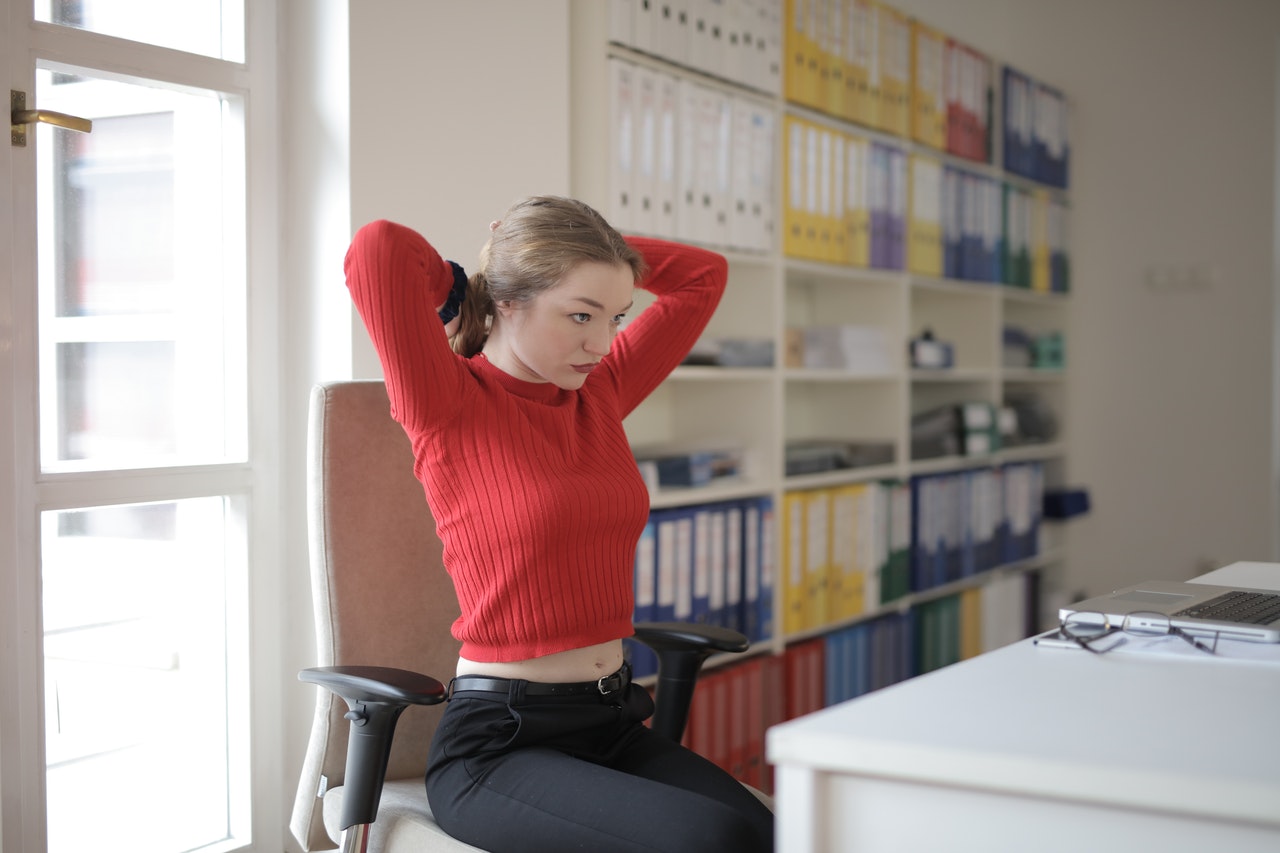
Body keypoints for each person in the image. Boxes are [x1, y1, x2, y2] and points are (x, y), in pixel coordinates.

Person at [343, 195, 775, 853]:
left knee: (777, 833)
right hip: (497, 745)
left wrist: (597, 251)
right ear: (510, 301)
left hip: (611, 720)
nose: (601, 343)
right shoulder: (446, 401)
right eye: (579, 315)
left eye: (615, 317)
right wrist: (465, 283)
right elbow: (378, 249)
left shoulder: (598, 393)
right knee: (711, 838)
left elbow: (702, 275)